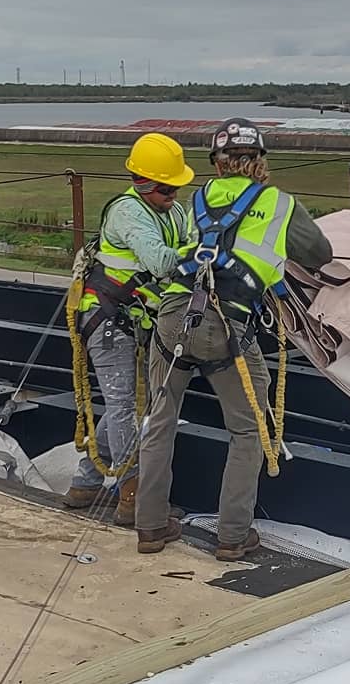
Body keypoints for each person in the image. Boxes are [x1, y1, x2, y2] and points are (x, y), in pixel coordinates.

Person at [135, 118, 333, 560]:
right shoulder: (279, 204)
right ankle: (232, 534)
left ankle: (149, 526)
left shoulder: (197, 198)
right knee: (248, 430)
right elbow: (320, 254)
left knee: (159, 421)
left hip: (173, 316)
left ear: (219, 163)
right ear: (259, 161)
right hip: (229, 326)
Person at [66, 132, 195, 526]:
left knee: (124, 407)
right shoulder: (128, 212)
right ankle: (134, 498)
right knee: (123, 408)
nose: (173, 193)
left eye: (177, 187)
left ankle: (85, 485)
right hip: (107, 319)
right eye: (166, 187)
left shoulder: (171, 212)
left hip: (135, 320)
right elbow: (159, 262)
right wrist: (200, 255)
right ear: (143, 182)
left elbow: (187, 244)